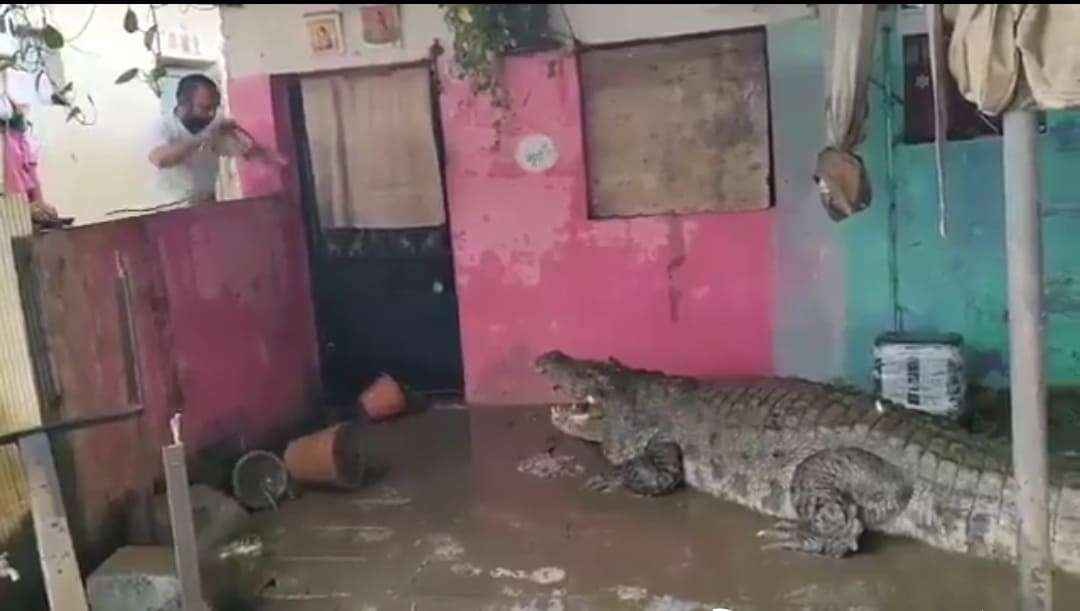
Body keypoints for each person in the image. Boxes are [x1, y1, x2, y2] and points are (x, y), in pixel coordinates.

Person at [149, 74, 285, 207]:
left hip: (206, 204)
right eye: (205, 108)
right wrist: (206, 135)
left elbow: (250, 152)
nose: (211, 114)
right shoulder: (163, 126)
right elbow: (161, 159)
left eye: (215, 107)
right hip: (171, 209)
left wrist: (280, 161)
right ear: (183, 103)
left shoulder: (212, 127)